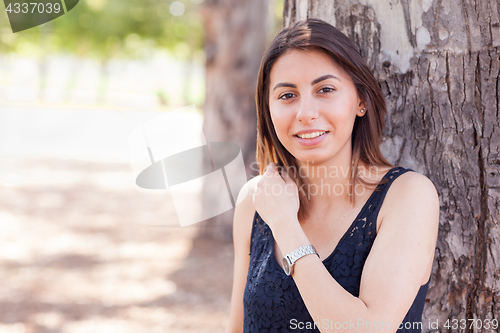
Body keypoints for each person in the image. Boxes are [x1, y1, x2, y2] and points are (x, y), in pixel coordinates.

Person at [225, 18, 439, 333]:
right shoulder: (256, 200)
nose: (306, 112)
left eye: (325, 89)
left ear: (361, 101)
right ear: (268, 110)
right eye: (287, 95)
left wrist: (285, 224)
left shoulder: (408, 196)